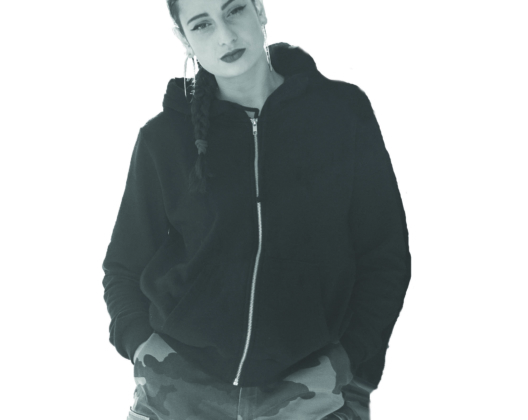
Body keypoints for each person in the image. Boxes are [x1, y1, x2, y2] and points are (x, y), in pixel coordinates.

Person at [102, 0, 412, 419]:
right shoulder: (164, 138)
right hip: (178, 392)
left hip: (313, 393)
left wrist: (351, 362)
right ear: (184, 38)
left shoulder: (340, 114)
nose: (225, 36)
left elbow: (384, 255)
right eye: (202, 25)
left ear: (259, 10)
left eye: (234, 11)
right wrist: (144, 349)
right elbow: (124, 266)